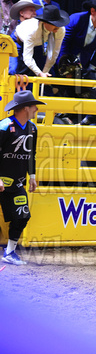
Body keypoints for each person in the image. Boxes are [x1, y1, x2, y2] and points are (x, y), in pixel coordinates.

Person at [0, 90, 46, 266]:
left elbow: (31, 154)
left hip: (17, 181)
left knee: (22, 216)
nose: (36, 109)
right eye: (34, 106)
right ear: (25, 108)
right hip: (1, 179)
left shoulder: (32, 128)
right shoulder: (4, 126)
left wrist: (32, 176)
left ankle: (10, 252)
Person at [58, 0, 96, 72]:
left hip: (84, 64)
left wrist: (91, 68)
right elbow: (64, 42)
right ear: (92, 11)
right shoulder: (76, 19)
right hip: (65, 59)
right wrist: (63, 63)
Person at [12, 4, 69, 78]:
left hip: (37, 43)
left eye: (59, 23)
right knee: (13, 69)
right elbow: (27, 58)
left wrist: (44, 72)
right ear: (44, 22)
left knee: (42, 67)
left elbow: (55, 52)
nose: (57, 26)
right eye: (54, 24)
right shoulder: (32, 30)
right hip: (17, 40)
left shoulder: (61, 29)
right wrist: (40, 73)